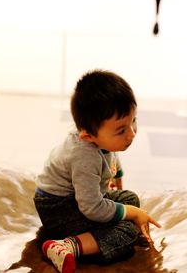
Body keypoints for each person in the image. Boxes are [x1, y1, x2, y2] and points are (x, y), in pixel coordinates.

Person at [34, 69, 161, 273]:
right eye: (121, 130)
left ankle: (95, 234)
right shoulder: (84, 156)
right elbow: (92, 208)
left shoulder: (95, 135)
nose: (132, 133)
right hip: (59, 210)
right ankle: (64, 246)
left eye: (133, 121)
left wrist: (117, 175)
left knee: (130, 198)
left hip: (78, 199)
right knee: (127, 231)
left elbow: (110, 152)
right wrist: (130, 214)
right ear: (88, 137)